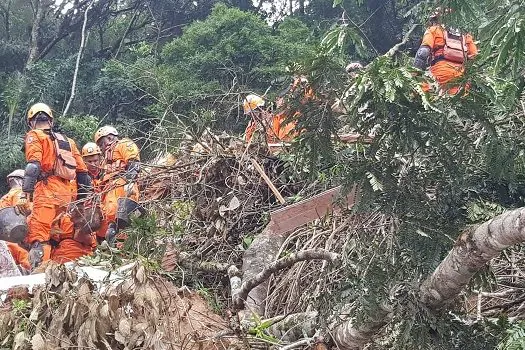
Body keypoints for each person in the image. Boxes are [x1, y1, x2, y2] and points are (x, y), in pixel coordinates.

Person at [19, 103, 92, 268]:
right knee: (57, 233)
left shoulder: (35, 135)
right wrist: (81, 203)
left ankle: (38, 277)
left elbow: (33, 166)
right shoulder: (68, 142)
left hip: (46, 191)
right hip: (66, 195)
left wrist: (25, 193)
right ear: (50, 121)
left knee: (39, 234)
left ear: (31, 122)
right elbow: (83, 176)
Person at [413, 7, 478, 95]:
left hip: (440, 73)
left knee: (423, 95)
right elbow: (474, 56)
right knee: (457, 102)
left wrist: (414, 76)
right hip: (461, 78)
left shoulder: (433, 30)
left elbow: (423, 52)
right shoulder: (465, 35)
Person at [94, 125, 140, 245]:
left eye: (101, 144)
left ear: (109, 138)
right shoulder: (105, 162)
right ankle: (114, 251)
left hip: (122, 187)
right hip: (109, 193)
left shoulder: (124, 144)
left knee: (121, 224)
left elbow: (134, 164)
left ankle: (122, 250)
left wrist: (130, 183)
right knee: (111, 229)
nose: (101, 148)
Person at [0, 169, 30, 271]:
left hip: (5, 239)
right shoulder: (19, 194)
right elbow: (23, 213)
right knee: (27, 261)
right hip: (17, 238)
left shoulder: (4, 198)